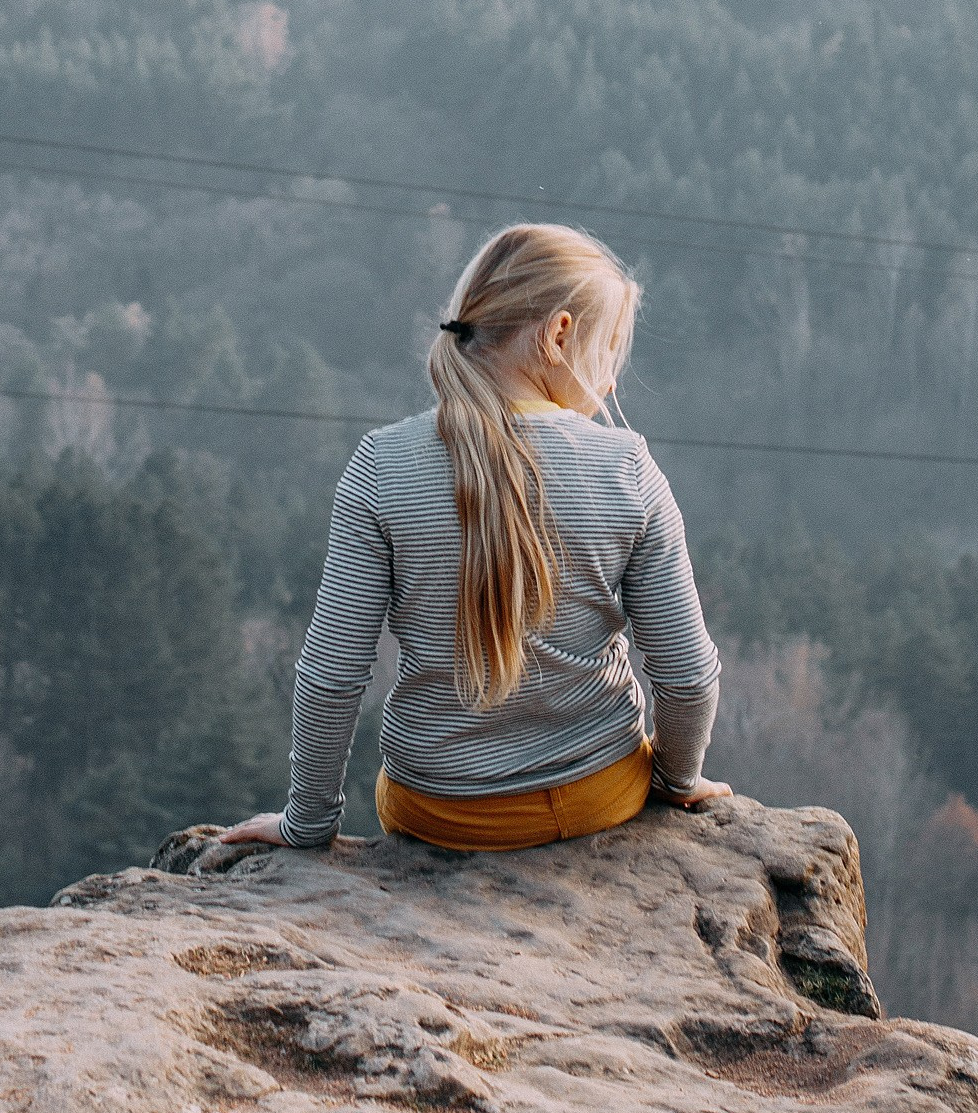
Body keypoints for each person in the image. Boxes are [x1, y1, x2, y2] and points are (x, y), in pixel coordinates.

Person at [220, 220, 728, 852]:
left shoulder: (381, 466)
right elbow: (687, 676)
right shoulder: (626, 469)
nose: (611, 383)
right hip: (597, 797)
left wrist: (308, 823)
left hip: (437, 809)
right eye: (607, 354)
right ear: (559, 334)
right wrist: (678, 780)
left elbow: (332, 673)